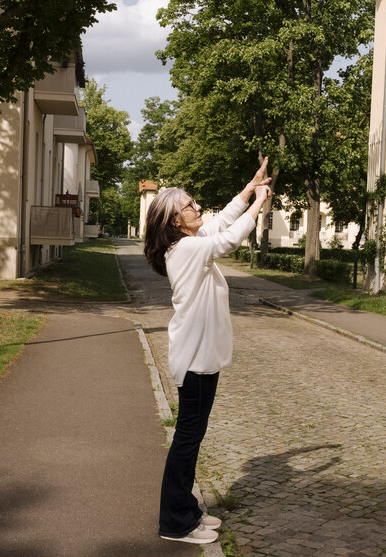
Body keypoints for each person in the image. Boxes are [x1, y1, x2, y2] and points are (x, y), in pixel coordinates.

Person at [143, 158, 273, 545]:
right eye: (189, 206)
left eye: (195, 203)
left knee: (191, 438)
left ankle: (187, 510)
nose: (198, 208)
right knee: (186, 439)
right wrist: (258, 205)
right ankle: (175, 523)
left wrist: (248, 190)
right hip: (195, 361)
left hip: (201, 358)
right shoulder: (184, 251)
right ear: (173, 221)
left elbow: (218, 225)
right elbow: (228, 239)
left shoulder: (189, 242)